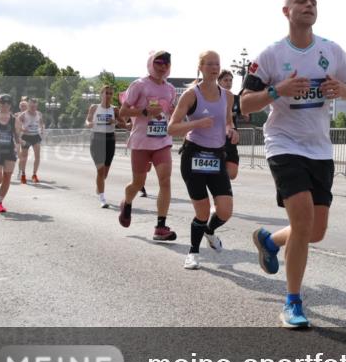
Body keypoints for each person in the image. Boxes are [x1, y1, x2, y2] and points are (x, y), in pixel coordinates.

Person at [241, 0, 346, 328]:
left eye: (313, 2)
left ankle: (269, 240)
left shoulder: (332, 51)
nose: (309, 5)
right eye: (301, 1)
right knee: (303, 223)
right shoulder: (271, 55)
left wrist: (340, 90)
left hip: (320, 147)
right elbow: (244, 103)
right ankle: (292, 302)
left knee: (315, 231)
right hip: (284, 144)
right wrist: (277, 90)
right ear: (286, 11)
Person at [168, 52, 238, 270]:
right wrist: (196, 124)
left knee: (225, 211)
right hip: (194, 155)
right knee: (202, 212)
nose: (214, 67)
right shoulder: (191, 95)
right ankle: (193, 252)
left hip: (216, 156)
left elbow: (228, 122)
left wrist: (232, 131)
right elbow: (172, 127)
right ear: (200, 67)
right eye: (209, 64)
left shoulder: (227, 96)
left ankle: (209, 230)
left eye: (217, 64)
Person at [117, 51, 178, 241]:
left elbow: (172, 113)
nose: (162, 67)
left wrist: (175, 115)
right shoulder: (139, 85)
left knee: (165, 180)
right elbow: (123, 111)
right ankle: (127, 201)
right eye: (159, 63)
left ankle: (160, 227)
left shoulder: (170, 89)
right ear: (151, 64)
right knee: (138, 183)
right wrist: (144, 111)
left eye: (166, 64)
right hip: (141, 142)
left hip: (162, 141)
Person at [85, 85, 123, 208]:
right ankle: (102, 199)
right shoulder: (94, 107)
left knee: (105, 174)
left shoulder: (115, 109)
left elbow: (123, 123)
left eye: (111, 93)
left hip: (110, 140)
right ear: (101, 94)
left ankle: (99, 186)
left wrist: (115, 122)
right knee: (100, 171)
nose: (108, 95)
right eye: (106, 93)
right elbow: (87, 120)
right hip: (97, 139)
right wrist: (89, 124)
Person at [218, 69, 241, 181]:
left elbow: (245, 112)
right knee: (218, 172)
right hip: (217, 139)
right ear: (219, 81)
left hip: (231, 138)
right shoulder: (214, 98)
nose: (228, 82)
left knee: (232, 174)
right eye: (225, 80)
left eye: (230, 80)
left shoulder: (236, 98)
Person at [16, 97, 45, 183]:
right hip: (26, 137)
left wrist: (42, 129)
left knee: (37, 156)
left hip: (36, 136)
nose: (33, 108)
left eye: (35, 106)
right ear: (28, 105)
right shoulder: (23, 115)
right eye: (32, 106)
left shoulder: (39, 114)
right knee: (24, 157)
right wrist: (22, 129)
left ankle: (34, 174)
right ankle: (23, 174)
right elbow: (16, 125)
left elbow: (42, 123)